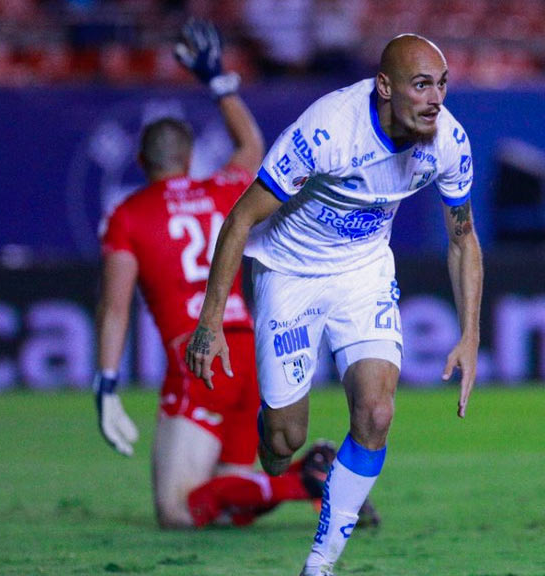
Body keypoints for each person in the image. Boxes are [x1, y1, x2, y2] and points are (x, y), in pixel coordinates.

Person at [186, 33, 483, 575]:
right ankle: (290, 452)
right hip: (289, 272)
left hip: (363, 273)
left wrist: (470, 336)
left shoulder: (449, 142)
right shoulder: (327, 130)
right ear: (385, 87)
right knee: (281, 443)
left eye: (442, 84)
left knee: (376, 412)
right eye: (421, 85)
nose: (435, 98)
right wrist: (209, 322)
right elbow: (240, 218)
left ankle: (320, 564)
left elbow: (463, 237)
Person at [93, 19, 329, 529]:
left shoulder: (129, 214)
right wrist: (220, 83)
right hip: (247, 349)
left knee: (177, 510)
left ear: (141, 160)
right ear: (189, 156)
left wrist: (107, 383)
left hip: (198, 353)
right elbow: (253, 145)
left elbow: (115, 308)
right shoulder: (224, 188)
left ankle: (303, 481)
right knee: (230, 506)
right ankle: (303, 479)